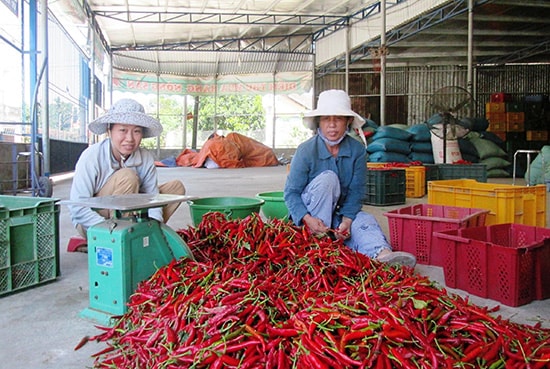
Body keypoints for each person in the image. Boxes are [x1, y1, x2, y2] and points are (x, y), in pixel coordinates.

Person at [284, 89, 416, 267]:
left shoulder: (357, 150)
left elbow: (356, 192)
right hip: (311, 218)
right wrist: (308, 219)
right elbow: (291, 193)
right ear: (318, 123)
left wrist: (346, 221)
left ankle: (383, 255)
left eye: (338, 118)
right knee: (328, 179)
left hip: (338, 216)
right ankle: (318, 245)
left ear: (347, 122)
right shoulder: (306, 150)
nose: (332, 125)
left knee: (365, 220)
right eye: (326, 119)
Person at [68, 98, 185, 240]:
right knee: (127, 176)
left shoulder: (145, 157)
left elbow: (153, 199)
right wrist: (108, 231)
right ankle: (115, 240)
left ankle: (142, 235)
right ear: (109, 131)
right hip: (93, 222)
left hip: (133, 217)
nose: (129, 138)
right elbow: (77, 207)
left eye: (136, 131)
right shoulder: (92, 156)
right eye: (122, 130)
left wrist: (154, 228)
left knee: (175, 189)